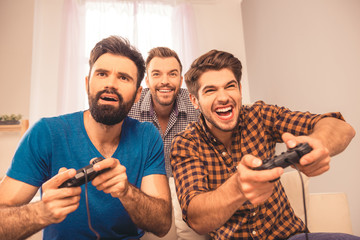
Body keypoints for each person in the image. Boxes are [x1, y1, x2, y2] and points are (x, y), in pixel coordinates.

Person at [170, 49, 357, 239]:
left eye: (230, 86)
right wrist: (237, 188)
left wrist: (319, 144)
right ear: (194, 100)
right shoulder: (186, 144)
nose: (224, 97)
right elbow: (196, 219)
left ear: (240, 91)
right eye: (210, 90)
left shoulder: (260, 116)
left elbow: (342, 128)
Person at [0, 36, 172, 240]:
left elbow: (162, 224)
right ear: (86, 83)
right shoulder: (46, 133)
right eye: (101, 74)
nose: (110, 84)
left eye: (124, 77)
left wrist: (127, 192)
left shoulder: (147, 136)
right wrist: (41, 212)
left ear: (137, 94)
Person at [128, 47, 205, 240]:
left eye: (172, 74)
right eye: (157, 74)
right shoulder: (131, 108)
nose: (164, 81)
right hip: (145, 197)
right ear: (147, 80)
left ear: (180, 80)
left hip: (189, 193)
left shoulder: (196, 105)